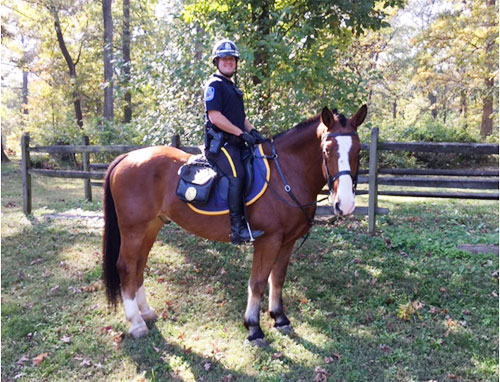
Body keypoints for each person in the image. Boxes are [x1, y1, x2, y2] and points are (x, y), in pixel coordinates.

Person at [204, 39, 265, 245]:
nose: (229, 62)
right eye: (224, 59)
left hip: (235, 143)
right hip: (221, 146)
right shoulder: (214, 85)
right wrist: (240, 133)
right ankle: (237, 229)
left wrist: (252, 132)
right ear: (217, 62)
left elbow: (240, 117)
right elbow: (215, 117)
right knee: (236, 175)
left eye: (232, 59)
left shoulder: (232, 87)